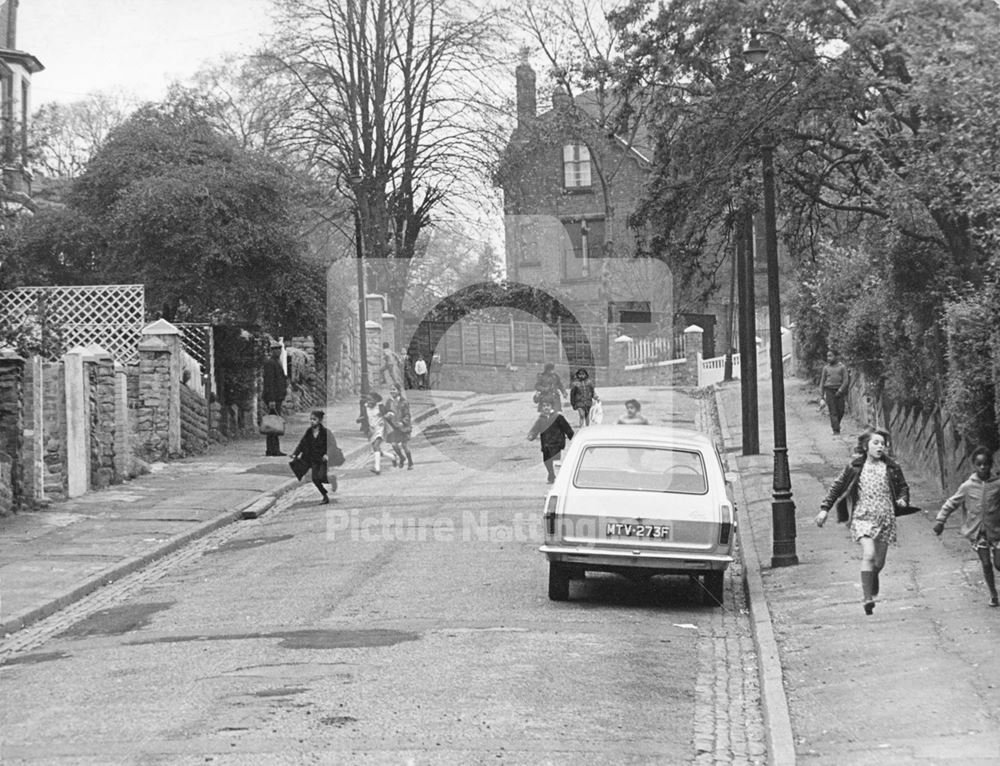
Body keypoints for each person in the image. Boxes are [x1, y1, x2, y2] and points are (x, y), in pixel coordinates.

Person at [816, 428, 910, 615]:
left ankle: (871, 577)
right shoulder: (855, 467)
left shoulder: (892, 467)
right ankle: (867, 598)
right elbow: (837, 487)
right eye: (876, 443)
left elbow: (903, 488)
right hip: (862, 517)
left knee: (879, 563)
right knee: (869, 554)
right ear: (866, 446)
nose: (880, 447)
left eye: (883, 444)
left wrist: (903, 499)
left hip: (885, 518)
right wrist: (824, 509)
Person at [933, 446, 1000, 606]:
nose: (983, 467)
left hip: (997, 532)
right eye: (979, 464)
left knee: (999, 564)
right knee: (985, 564)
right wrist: (940, 521)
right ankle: (993, 594)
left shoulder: (997, 485)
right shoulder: (967, 486)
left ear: (991, 465)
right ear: (974, 466)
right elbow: (951, 503)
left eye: (986, 464)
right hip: (978, 534)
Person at [290, 410, 336, 504]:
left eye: (314, 419)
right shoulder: (309, 431)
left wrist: (327, 454)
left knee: (321, 477)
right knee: (315, 478)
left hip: (322, 459)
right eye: (310, 419)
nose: (311, 421)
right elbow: (302, 443)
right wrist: (295, 453)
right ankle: (325, 496)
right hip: (311, 458)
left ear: (320, 420)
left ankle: (331, 479)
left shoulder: (325, 432)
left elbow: (332, 445)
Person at [527, 400, 575, 483]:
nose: (546, 407)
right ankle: (551, 474)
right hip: (546, 444)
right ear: (541, 408)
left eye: (548, 405)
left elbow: (566, 427)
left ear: (551, 407)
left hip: (556, 443)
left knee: (556, 460)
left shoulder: (558, 417)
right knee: (546, 461)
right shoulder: (541, 419)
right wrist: (532, 435)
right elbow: (535, 429)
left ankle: (557, 477)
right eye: (544, 406)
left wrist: (572, 436)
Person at [262, 340, 288, 456]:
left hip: (277, 398)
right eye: (275, 349)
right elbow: (269, 383)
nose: (278, 351)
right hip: (273, 398)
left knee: (274, 423)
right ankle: (273, 449)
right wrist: (271, 399)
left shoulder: (277, 362)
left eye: (279, 349)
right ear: (271, 351)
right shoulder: (270, 363)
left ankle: (273, 449)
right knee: (273, 423)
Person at [384, 383, 414, 470]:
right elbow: (385, 412)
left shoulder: (404, 402)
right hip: (393, 427)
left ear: (399, 391)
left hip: (403, 427)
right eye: (391, 389)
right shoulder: (389, 402)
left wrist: (403, 422)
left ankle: (410, 462)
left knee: (404, 445)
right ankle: (401, 457)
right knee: (394, 444)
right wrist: (386, 415)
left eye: (394, 389)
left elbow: (407, 415)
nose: (392, 391)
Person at [819, 350, 849, 434]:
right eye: (827, 356)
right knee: (833, 411)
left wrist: (840, 390)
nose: (828, 358)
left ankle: (836, 424)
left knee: (841, 410)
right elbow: (822, 382)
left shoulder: (842, 367)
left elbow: (846, 380)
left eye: (830, 356)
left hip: (839, 391)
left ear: (835, 356)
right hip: (829, 391)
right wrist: (821, 396)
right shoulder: (826, 368)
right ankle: (836, 430)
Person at [357, 391, 387, 475]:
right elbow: (364, 417)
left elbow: (387, 414)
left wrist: (390, 415)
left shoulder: (380, 407)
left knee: (376, 446)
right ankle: (392, 456)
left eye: (370, 400)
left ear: (376, 400)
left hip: (381, 428)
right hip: (372, 429)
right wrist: (360, 419)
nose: (368, 402)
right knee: (376, 449)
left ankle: (377, 468)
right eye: (367, 400)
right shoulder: (365, 407)